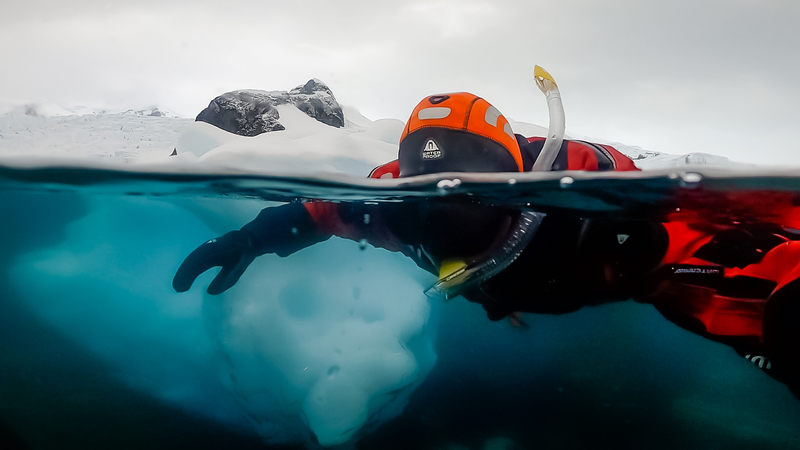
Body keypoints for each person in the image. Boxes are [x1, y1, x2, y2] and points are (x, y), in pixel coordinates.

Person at [173, 92, 800, 398]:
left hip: (621, 273)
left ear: (516, 187)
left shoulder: (594, 205)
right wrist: (248, 238)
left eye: (473, 199)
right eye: (432, 198)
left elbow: (725, 238)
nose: (447, 217)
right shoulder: (398, 212)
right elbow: (319, 211)